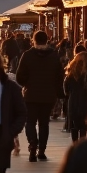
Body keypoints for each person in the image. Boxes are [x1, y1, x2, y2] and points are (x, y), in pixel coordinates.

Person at [16, 29, 64, 161]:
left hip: (30, 94)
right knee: (44, 123)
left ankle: (32, 145)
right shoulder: (54, 56)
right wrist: (57, 91)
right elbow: (59, 76)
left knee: (30, 122)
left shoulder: (27, 55)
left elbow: (19, 76)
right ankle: (41, 150)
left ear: (33, 40)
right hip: (48, 95)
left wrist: (27, 83)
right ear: (47, 40)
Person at [64, 51, 87, 143]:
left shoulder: (70, 72)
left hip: (73, 100)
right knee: (83, 126)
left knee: (74, 125)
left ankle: (75, 144)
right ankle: (82, 143)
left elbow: (66, 89)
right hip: (85, 100)